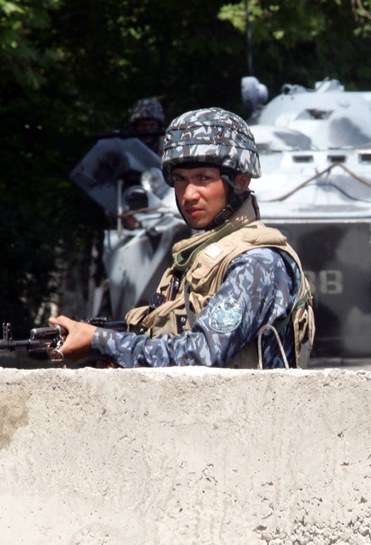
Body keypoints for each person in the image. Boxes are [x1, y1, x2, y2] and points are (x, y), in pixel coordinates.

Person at [51, 107, 315, 369]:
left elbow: (201, 355)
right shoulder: (198, 256)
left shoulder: (256, 262)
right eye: (180, 179)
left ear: (241, 182)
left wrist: (102, 342)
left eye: (204, 178)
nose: (188, 194)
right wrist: (117, 349)